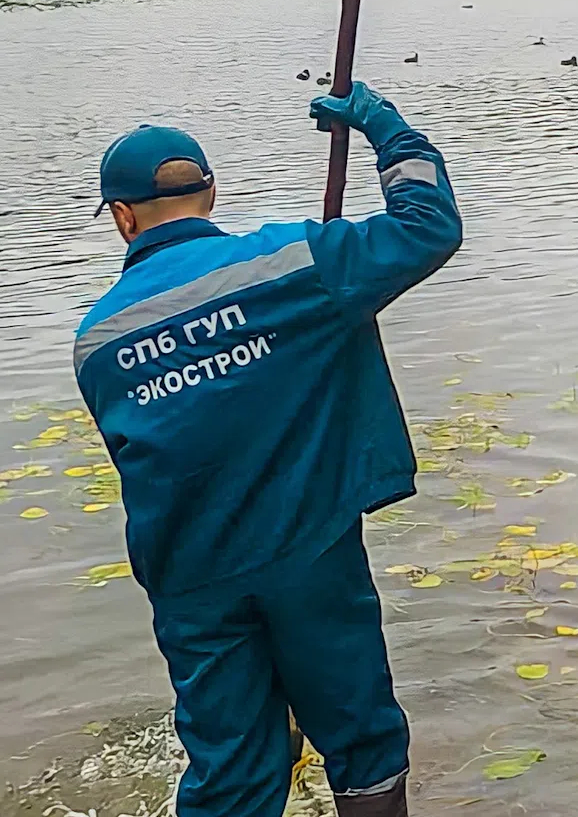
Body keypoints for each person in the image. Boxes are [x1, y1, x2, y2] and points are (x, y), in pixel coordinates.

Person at [72, 82, 462, 817]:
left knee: (230, 774)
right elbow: (428, 224)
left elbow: (151, 449)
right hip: (306, 549)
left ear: (122, 218)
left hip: (189, 574)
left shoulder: (96, 338)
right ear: (211, 194)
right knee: (361, 741)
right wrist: (385, 129)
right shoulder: (296, 265)